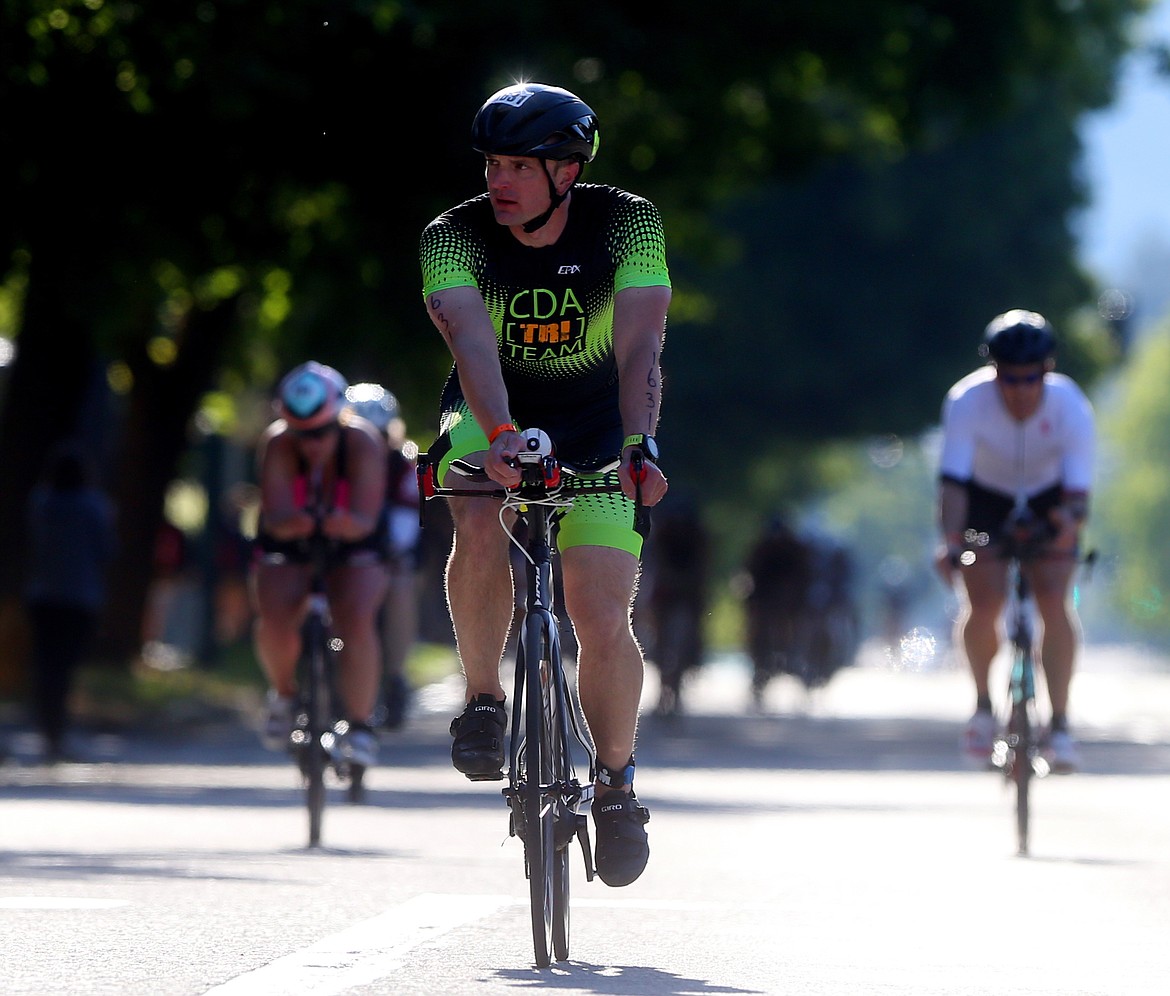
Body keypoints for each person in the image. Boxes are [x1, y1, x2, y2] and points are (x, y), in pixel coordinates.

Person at [419, 81, 671, 887]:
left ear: (567, 170)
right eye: (492, 163)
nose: (499, 180)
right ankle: (486, 697)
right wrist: (494, 438)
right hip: (489, 406)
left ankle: (618, 782)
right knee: (477, 515)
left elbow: (639, 350)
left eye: (519, 166)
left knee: (600, 610)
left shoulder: (628, 221)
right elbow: (471, 346)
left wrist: (640, 445)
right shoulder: (452, 236)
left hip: (597, 419)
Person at [935, 310, 1096, 772]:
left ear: (1047, 371)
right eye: (1009, 378)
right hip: (985, 499)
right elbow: (952, 486)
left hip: (1048, 499)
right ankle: (984, 708)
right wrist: (952, 542)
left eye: (1031, 378)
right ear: (994, 371)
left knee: (1053, 596)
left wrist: (1066, 527)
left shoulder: (1070, 406)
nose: (1020, 390)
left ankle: (1060, 726)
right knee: (983, 602)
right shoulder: (967, 401)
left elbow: (1077, 497)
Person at [249, 361, 389, 769]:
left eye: (322, 433)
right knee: (274, 613)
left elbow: (364, 517)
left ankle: (360, 724)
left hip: (355, 540)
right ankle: (284, 692)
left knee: (357, 619)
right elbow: (277, 516)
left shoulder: (363, 442)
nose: (311, 444)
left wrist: (334, 523)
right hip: (291, 538)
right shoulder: (277, 444)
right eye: (301, 434)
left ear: (340, 420)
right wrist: (304, 523)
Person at [23, 441, 116, 762]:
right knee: (65, 666)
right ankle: (57, 731)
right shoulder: (93, 506)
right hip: (80, 597)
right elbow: (106, 550)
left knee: (44, 665)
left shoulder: (41, 503)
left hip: (43, 595)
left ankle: (47, 728)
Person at [344, 382, 422, 730]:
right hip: (338, 549)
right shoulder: (328, 457)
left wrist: (389, 551)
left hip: (384, 554)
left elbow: (405, 521)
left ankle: (394, 676)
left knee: (399, 586)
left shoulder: (402, 466)